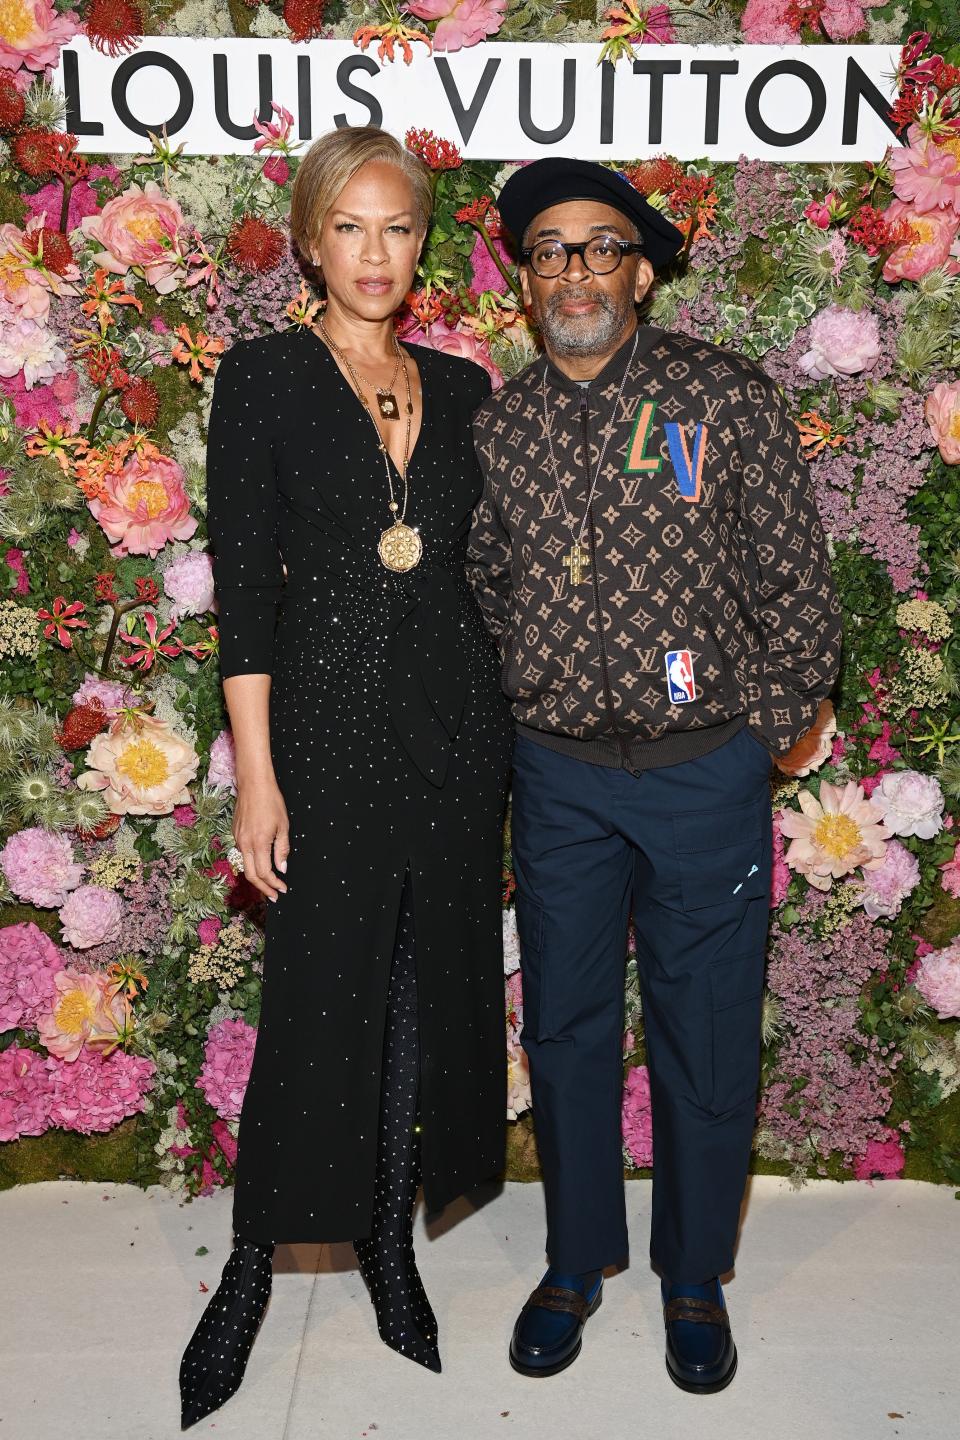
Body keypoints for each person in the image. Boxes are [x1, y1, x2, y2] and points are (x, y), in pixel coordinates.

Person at [466, 158, 841, 1393]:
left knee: (706, 1029)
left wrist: (766, 731)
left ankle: (692, 1277)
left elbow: (795, 572)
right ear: (527, 277)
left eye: (601, 245)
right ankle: (577, 1262)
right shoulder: (501, 426)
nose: (576, 269)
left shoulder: (719, 397)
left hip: (701, 778)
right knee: (567, 1027)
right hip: (560, 778)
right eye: (551, 249)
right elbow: (481, 591)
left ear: (641, 265)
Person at [179, 127, 513, 1430]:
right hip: (320, 731)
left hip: (455, 735)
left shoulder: (467, 387)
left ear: (419, 245)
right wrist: (257, 779)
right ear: (312, 242)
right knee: (320, 1006)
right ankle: (252, 1275)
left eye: (401, 228)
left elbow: (495, 576)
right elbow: (244, 607)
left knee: (425, 1000)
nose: (378, 254)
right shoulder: (260, 379)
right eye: (352, 228)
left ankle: (389, 1249)